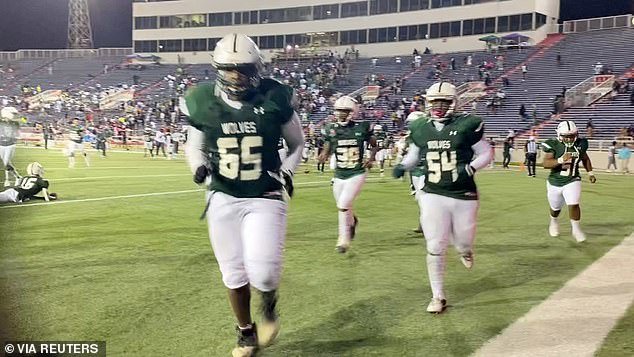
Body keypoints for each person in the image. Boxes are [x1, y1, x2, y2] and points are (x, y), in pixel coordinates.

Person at [181, 33, 304, 357]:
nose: (237, 75)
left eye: (244, 69)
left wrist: (288, 171)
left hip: (264, 191)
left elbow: (297, 144)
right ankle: (245, 332)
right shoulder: (202, 99)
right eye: (229, 69)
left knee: (263, 270)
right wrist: (198, 166)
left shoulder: (275, 96)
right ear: (218, 69)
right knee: (233, 272)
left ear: (256, 68)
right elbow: (195, 145)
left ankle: (269, 305)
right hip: (223, 193)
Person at [393, 82, 493, 314]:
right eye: (434, 102)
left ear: (453, 102)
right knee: (435, 245)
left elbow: (486, 151)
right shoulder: (420, 127)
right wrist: (402, 165)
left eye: (444, 102)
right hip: (432, 191)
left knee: (464, 241)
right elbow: (415, 154)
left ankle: (466, 251)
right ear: (427, 103)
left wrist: (471, 168)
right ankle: (438, 296)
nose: (438, 107)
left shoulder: (467, 124)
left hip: (463, 193)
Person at [318, 95, 377, 254]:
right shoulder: (331, 128)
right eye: (339, 111)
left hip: (357, 172)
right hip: (339, 173)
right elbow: (329, 143)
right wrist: (324, 153)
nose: (342, 114)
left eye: (345, 111)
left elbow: (374, 145)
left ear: (352, 112)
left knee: (343, 205)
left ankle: (343, 239)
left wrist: (371, 158)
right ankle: (353, 221)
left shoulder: (362, 127)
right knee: (344, 206)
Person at [541, 121, 596, 243]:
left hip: (572, 179)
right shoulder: (553, 144)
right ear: (559, 135)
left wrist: (590, 173)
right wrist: (560, 160)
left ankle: (576, 229)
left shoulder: (581, 144)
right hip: (554, 181)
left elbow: (585, 158)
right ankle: (553, 222)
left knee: (574, 203)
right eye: (566, 136)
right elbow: (545, 163)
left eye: (572, 135)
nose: (569, 138)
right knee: (555, 209)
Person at [0, 107, 21, 187]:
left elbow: (22, 121)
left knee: (5, 162)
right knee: (6, 163)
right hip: (1, 144)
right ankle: (17, 177)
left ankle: (7, 180)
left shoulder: (14, 123)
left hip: (10, 144)